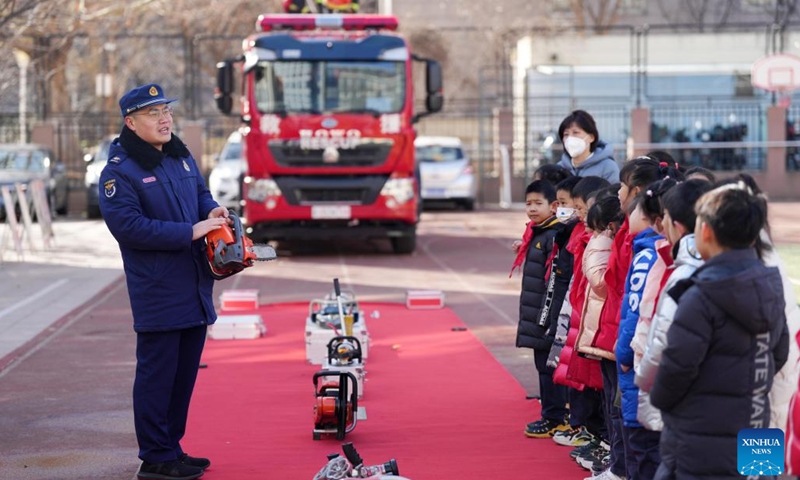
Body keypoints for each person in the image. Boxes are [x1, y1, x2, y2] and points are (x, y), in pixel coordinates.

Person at [99, 84, 229, 480]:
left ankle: (172, 448)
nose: (164, 119)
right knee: (158, 376)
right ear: (131, 122)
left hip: (194, 284)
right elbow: (129, 228)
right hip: (158, 289)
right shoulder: (119, 172)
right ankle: (155, 458)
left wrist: (214, 210)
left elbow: (202, 194)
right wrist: (191, 231)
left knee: (183, 375)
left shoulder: (179, 156)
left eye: (166, 110)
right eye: (153, 113)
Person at [650, 183, 789, 479]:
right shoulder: (771, 284)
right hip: (758, 421)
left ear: (707, 232)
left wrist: (659, 399)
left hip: (704, 435)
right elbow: (780, 352)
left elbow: (676, 367)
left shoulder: (701, 295)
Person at [635, 179, 713, 434]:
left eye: (665, 217)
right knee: (758, 471)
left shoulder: (685, 276)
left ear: (677, 225)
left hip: (701, 414)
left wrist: (643, 382)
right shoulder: (769, 274)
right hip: (760, 413)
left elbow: (664, 343)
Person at [513, 180, 570, 438]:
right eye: (528, 204)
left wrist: (547, 319)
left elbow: (554, 282)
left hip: (545, 315)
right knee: (542, 365)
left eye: (538, 203)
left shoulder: (553, 234)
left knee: (549, 366)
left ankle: (554, 417)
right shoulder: (538, 231)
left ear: (554, 206)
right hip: (538, 312)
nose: (532, 209)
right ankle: (553, 413)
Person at [556, 110, 620, 183]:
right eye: (566, 134)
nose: (570, 138)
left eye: (576, 133)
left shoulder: (607, 167)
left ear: (591, 137)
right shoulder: (559, 168)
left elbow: (613, 193)